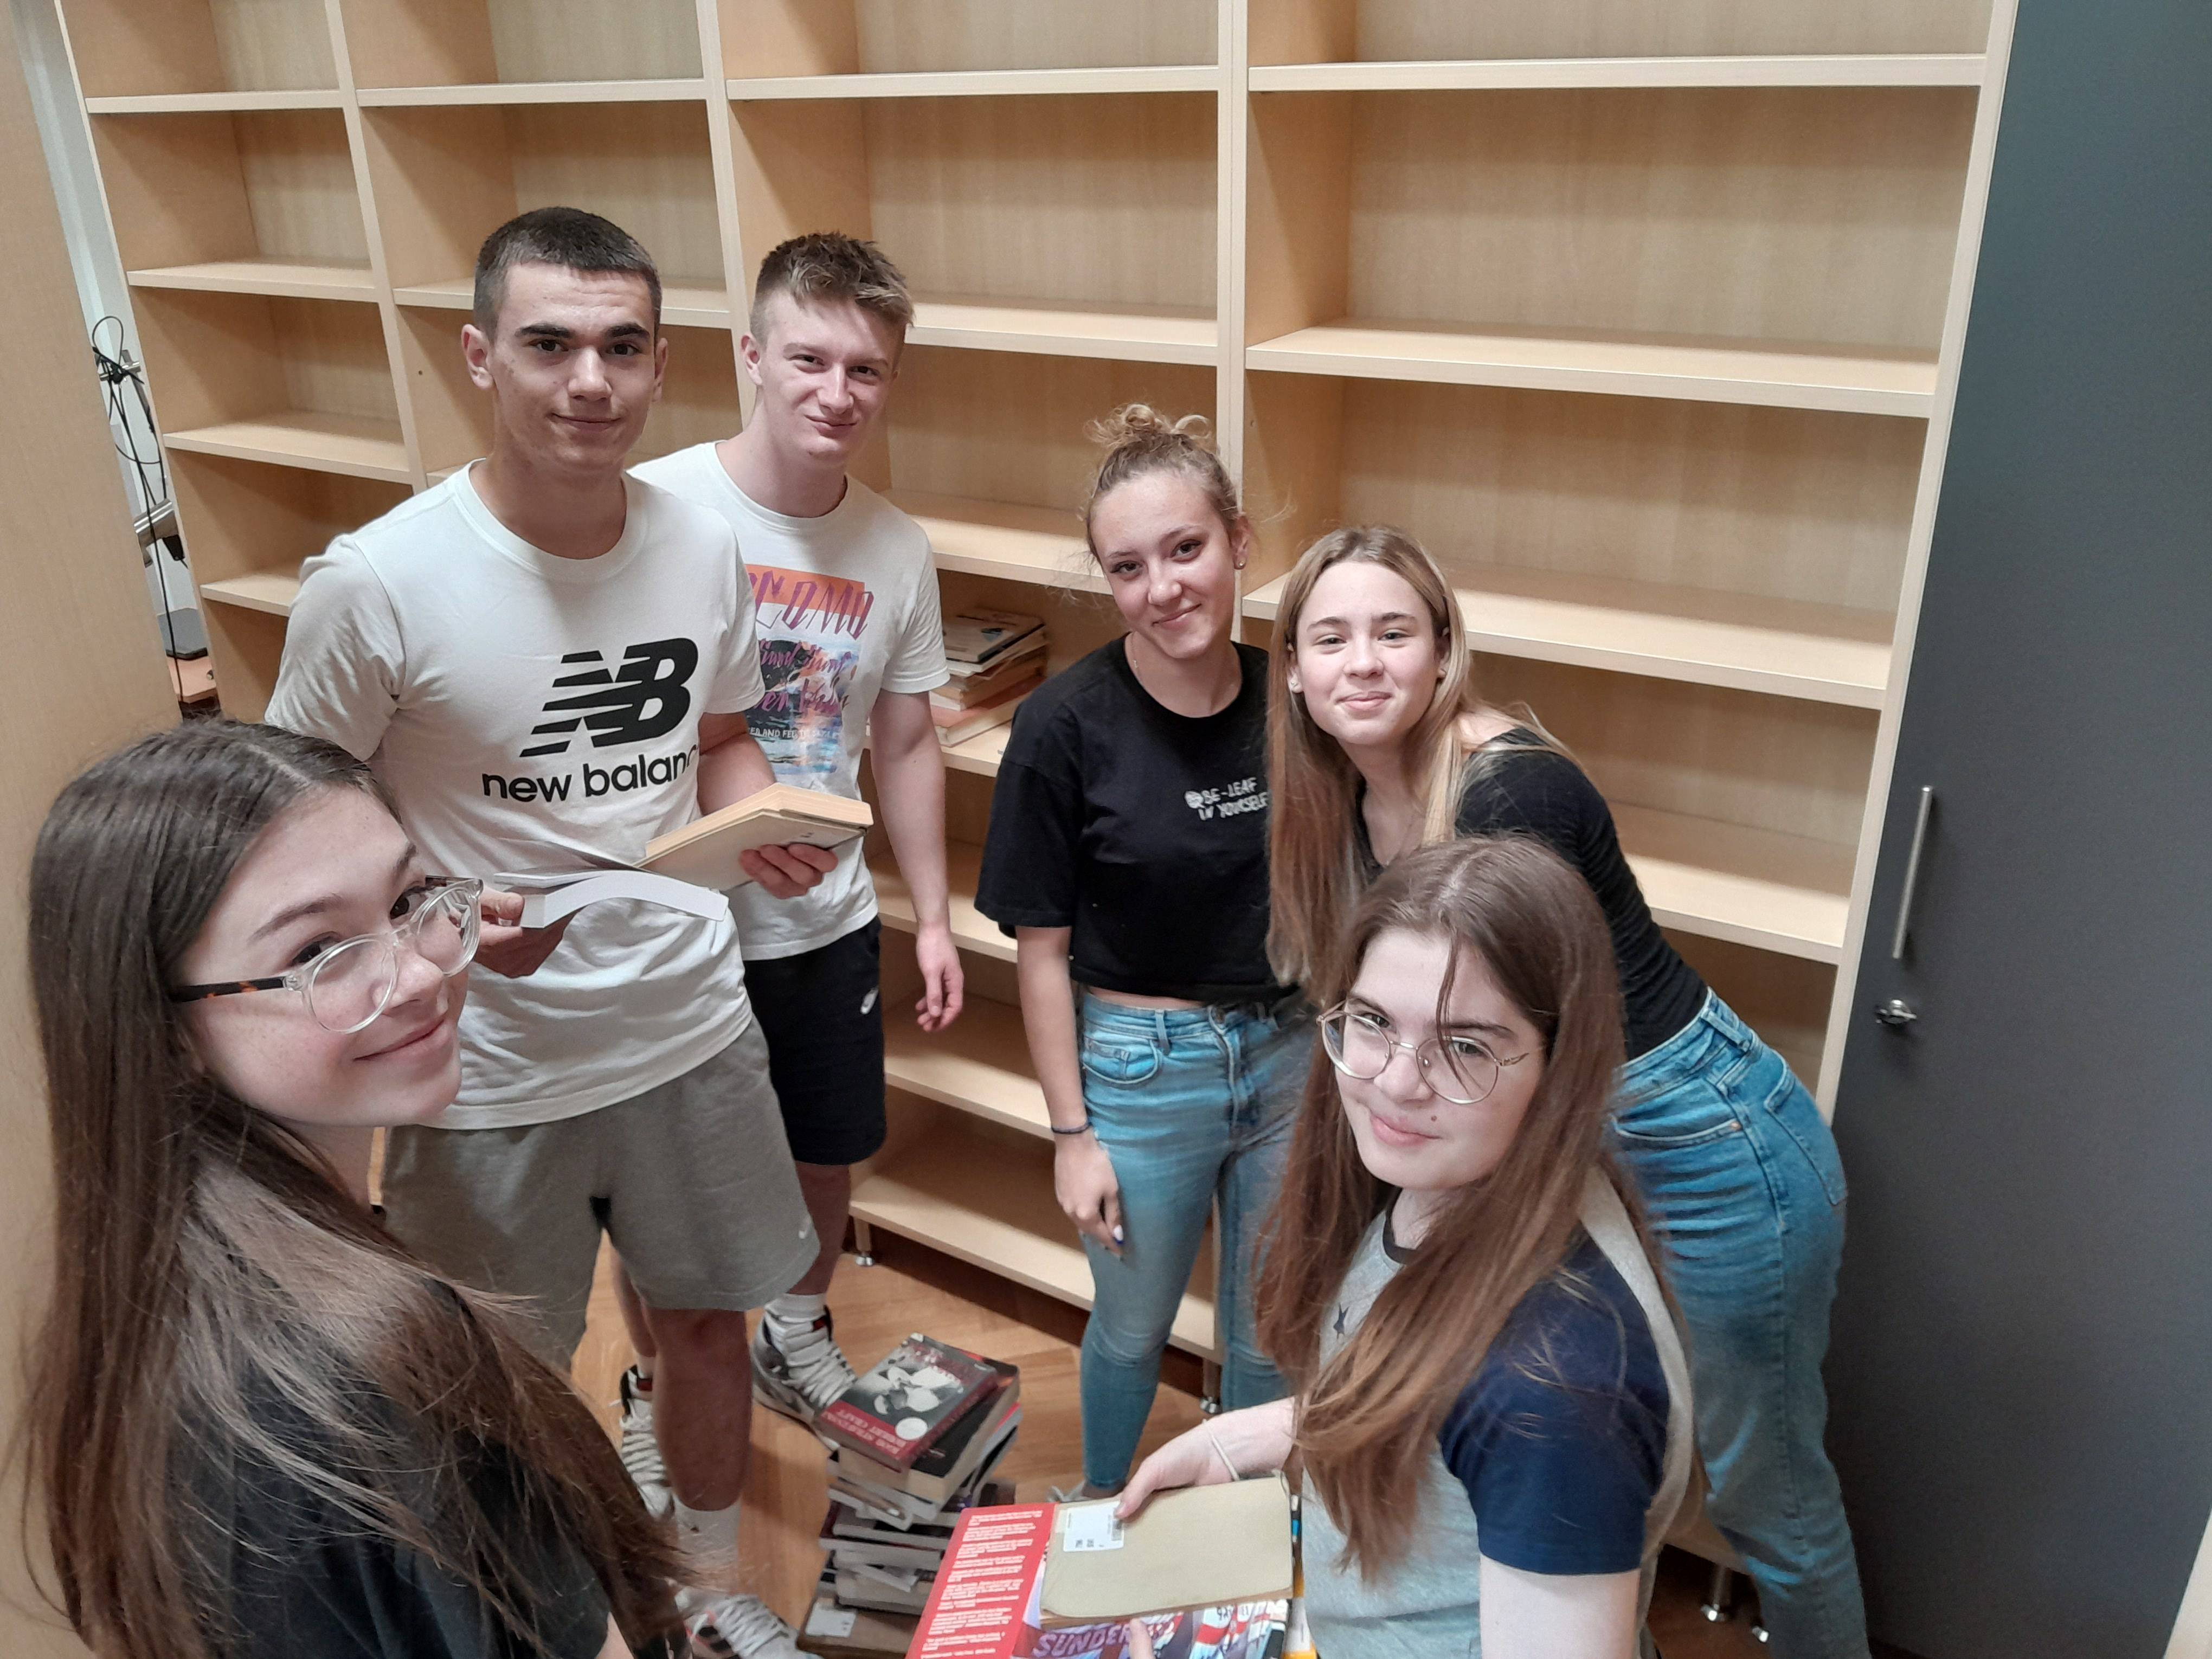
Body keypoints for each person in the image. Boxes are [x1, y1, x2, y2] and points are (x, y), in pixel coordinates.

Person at [266, 207, 826, 1659]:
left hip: (689, 1026)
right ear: (480, 356)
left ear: (663, 364)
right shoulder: (377, 581)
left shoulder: (702, 546)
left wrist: (760, 819)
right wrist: (438, 922)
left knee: (707, 1326)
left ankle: (703, 1590)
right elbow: (290, 824)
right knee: (497, 1382)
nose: (591, 381)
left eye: (624, 347)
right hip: (482, 1064)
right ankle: (544, 1611)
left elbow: (720, 737)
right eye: (550, 345)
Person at [1264, 525, 1863, 1657]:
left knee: (1768, 1499)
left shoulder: (1507, 794)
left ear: (1445, 651)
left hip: (1700, 1136)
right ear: (1290, 668)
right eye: (1330, 637)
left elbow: (1532, 1050)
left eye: (1395, 632)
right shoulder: (1345, 796)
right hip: (1568, 1132)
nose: (1364, 662)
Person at [20, 718, 681, 1659]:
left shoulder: (155, 1291)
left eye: (410, 901)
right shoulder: (373, 1360)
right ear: (166, 1029)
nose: (418, 974)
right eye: (313, 953)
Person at [1119, 837, 1695, 1658]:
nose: (1395, 1082)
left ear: (1560, 1066)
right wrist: (1256, 1436)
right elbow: (1433, 1401)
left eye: (1465, 1047)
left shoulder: (1555, 1395)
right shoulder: (1462, 1180)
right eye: (1373, 1022)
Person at [632, 232, 962, 1436]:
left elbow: (907, 743)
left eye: (866, 369)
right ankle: (658, 1383)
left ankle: (796, 1329)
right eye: (809, 360)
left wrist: (933, 918)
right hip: (675, 922)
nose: (837, 393)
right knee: (663, 1189)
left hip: (823, 919)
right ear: (751, 356)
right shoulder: (654, 509)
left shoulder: (896, 547)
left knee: (827, 1153)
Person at [974, 406, 1310, 1498]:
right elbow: (1040, 954)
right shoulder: (1062, 727)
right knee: (1132, 1328)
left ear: (1239, 542)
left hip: (1292, 1057)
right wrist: (1072, 1137)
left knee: (1269, 1332)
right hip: (1141, 1071)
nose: (1162, 587)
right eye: (1128, 567)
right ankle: (1106, 1511)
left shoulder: (1293, 701)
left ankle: (1243, 1532)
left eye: (1185, 548)